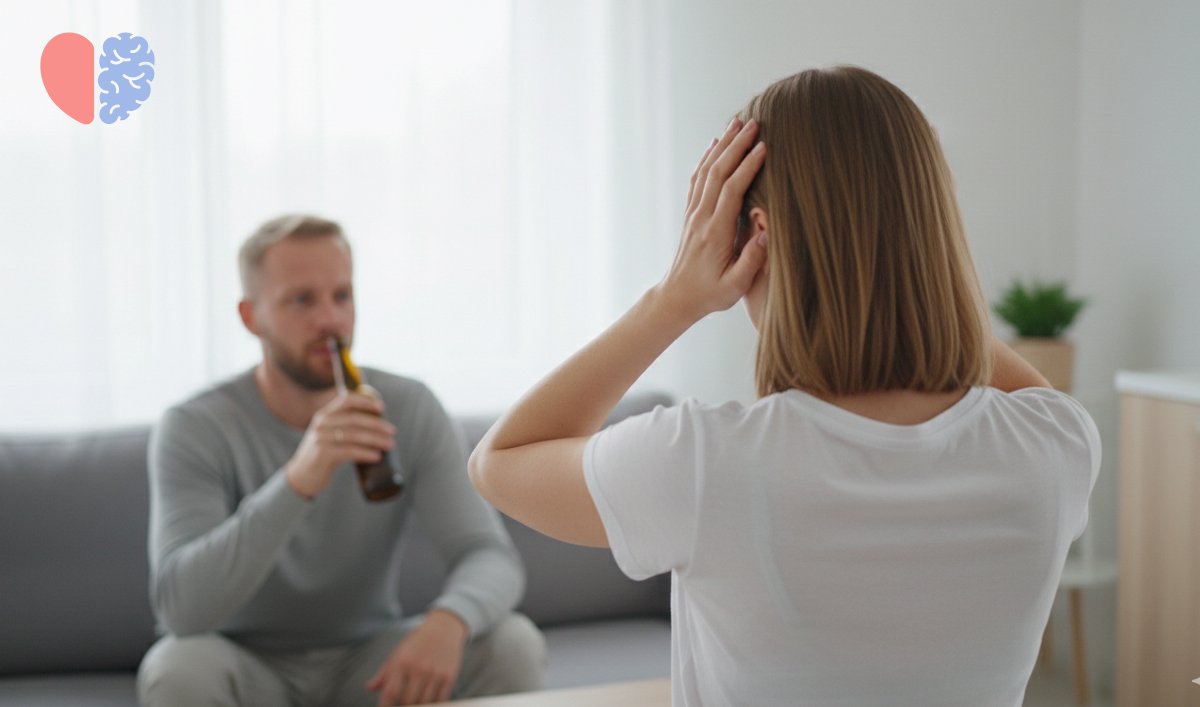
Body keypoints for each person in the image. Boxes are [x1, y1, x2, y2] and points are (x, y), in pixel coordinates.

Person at [468, 66, 1099, 706]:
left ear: (753, 237)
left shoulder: (701, 462)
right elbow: (1026, 393)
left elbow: (500, 461)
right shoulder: (1055, 448)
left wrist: (674, 298)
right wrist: (907, 238)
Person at [138, 215, 544, 707]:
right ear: (251, 317)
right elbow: (181, 610)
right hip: (245, 667)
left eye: (342, 296)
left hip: (371, 667)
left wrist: (448, 623)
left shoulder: (408, 406)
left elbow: (489, 555)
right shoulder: (195, 426)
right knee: (175, 668)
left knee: (511, 642)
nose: (330, 319)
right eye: (302, 300)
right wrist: (298, 480)